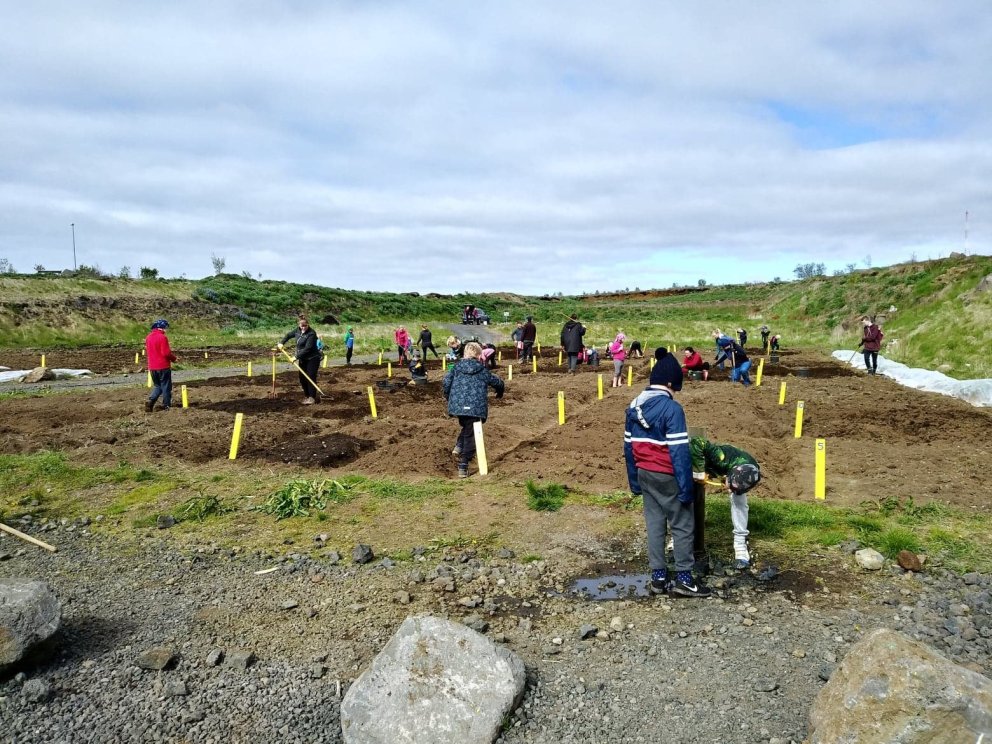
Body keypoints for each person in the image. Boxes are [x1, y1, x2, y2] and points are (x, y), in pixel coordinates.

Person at [624, 349, 710, 598]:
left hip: (644, 473)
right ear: (670, 384)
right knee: (683, 525)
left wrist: (634, 482)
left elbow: (628, 448)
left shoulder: (633, 406)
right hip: (668, 474)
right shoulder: (672, 410)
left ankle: (658, 578)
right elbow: (679, 451)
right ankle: (685, 578)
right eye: (676, 388)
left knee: (654, 524)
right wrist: (686, 487)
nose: (675, 393)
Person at [690, 436, 761, 570]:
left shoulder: (752, 475)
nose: (728, 490)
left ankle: (740, 544)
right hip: (700, 461)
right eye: (730, 485)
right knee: (684, 494)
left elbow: (735, 487)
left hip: (726, 472)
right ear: (731, 473)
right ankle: (677, 539)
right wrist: (699, 471)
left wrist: (732, 487)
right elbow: (697, 441)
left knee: (739, 501)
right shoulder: (720, 457)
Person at [442, 341, 505, 478]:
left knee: (467, 426)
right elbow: (497, 382)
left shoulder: (456, 367)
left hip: (458, 405)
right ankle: (463, 465)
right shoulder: (482, 370)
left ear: (465, 353)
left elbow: (446, 382)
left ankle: (459, 446)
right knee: (472, 434)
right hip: (475, 407)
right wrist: (500, 391)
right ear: (478, 355)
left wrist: (449, 397)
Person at [279, 314, 322, 405]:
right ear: (299, 325)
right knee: (302, 378)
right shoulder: (297, 331)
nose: (303, 328)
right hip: (303, 359)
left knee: (310, 377)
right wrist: (282, 343)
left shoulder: (311, 334)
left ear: (308, 324)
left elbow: (308, 348)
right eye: (302, 326)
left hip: (312, 359)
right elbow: (288, 335)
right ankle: (307, 396)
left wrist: (295, 357)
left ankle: (312, 397)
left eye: (305, 326)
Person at [144, 319, 177, 412]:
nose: (166, 330)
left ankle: (151, 400)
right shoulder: (162, 338)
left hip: (152, 367)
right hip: (163, 366)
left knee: (158, 386)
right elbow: (166, 353)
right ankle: (167, 406)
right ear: (161, 328)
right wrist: (174, 359)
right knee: (166, 386)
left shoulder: (148, 337)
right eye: (165, 327)